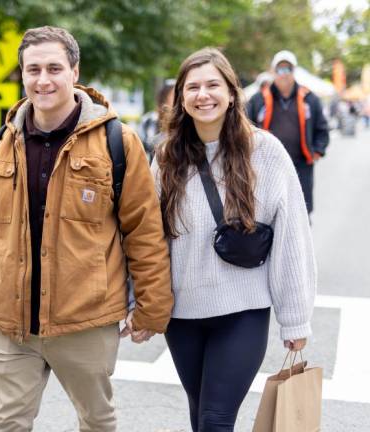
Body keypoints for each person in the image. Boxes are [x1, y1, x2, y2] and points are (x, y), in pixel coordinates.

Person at [0, 26, 173, 432]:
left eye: (54, 68)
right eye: (33, 69)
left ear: (74, 73)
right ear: (22, 75)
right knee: (6, 425)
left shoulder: (118, 142)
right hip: (10, 324)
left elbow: (144, 231)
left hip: (85, 320)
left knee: (96, 422)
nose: (43, 80)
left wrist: (152, 307)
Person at [151, 48, 316, 432]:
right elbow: (149, 239)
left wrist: (295, 319)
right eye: (193, 87)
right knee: (200, 414)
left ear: (231, 93)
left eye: (213, 85)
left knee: (215, 419)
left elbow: (292, 240)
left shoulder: (266, 153)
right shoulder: (165, 158)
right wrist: (138, 302)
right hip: (182, 315)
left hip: (242, 312)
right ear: (181, 98)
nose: (203, 95)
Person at [246, 50, 329, 214]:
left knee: (301, 208)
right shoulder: (258, 99)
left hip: (301, 162)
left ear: (294, 71)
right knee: (268, 209)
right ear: (273, 72)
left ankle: (301, 239)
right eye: (280, 69)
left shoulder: (310, 98)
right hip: (266, 164)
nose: (284, 74)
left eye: (288, 69)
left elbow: (322, 127)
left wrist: (318, 150)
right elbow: (245, 126)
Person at [138, 79, 175, 158]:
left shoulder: (184, 119)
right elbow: (143, 146)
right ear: (164, 98)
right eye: (175, 95)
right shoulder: (149, 120)